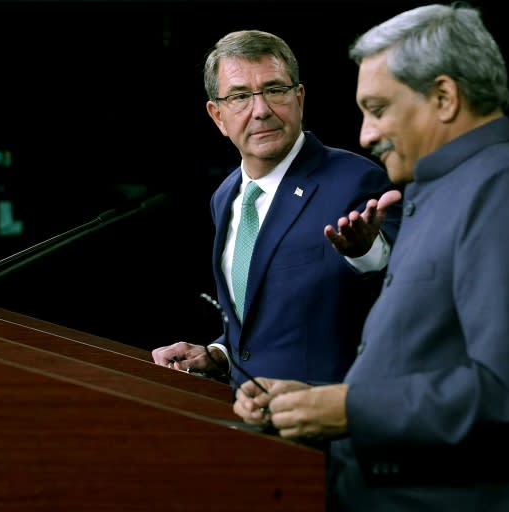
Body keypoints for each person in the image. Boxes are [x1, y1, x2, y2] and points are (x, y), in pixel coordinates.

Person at [232, 4, 509, 512]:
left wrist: (348, 409)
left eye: (377, 109)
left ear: (444, 97)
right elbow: (423, 365)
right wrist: (311, 399)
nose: (365, 135)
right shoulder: (443, 189)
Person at [151, 29, 402, 389]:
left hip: (328, 426)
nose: (261, 110)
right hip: (246, 422)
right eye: (240, 96)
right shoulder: (224, 198)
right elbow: (265, 319)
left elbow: (407, 299)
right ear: (217, 115)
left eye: (274, 90)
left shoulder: (357, 181)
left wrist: (368, 253)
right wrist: (221, 353)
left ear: (299, 98)